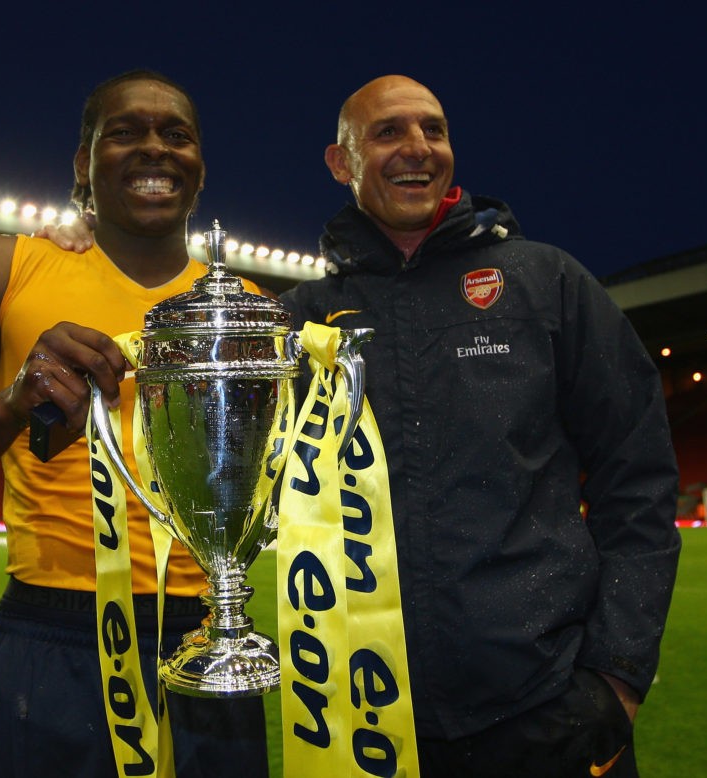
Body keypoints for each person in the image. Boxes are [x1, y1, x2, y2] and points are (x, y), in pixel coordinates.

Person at [277, 75, 682, 777]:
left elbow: (639, 478)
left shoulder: (545, 282)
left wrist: (616, 678)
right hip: (368, 720)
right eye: (388, 132)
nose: (419, 148)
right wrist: (86, 234)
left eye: (433, 129)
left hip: (548, 712)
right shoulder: (302, 317)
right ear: (341, 163)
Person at [0, 69, 268, 778]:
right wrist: (11, 405)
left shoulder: (245, 310)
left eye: (177, 135)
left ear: (200, 168)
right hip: (52, 641)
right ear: (83, 164)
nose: (155, 148)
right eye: (125, 132)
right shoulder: (5, 267)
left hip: (212, 645)